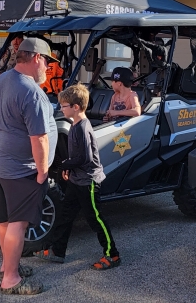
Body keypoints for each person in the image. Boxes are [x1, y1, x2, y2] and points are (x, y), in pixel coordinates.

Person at [0, 37, 59, 295]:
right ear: (36, 58)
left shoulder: (4, 79)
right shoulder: (31, 92)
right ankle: (11, 279)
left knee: (4, 219)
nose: (48, 68)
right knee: (18, 223)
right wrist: (42, 170)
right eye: (47, 62)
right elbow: (38, 137)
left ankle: (7, 266)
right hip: (21, 167)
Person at [34, 84, 120, 270]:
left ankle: (112, 254)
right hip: (76, 179)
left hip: (88, 181)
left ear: (76, 107)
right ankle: (58, 251)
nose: (61, 108)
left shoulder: (82, 128)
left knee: (95, 218)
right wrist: (69, 168)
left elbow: (85, 158)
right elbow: (77, 157)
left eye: (64, 105)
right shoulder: (74, 124)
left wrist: (65, 164)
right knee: (66, 215)